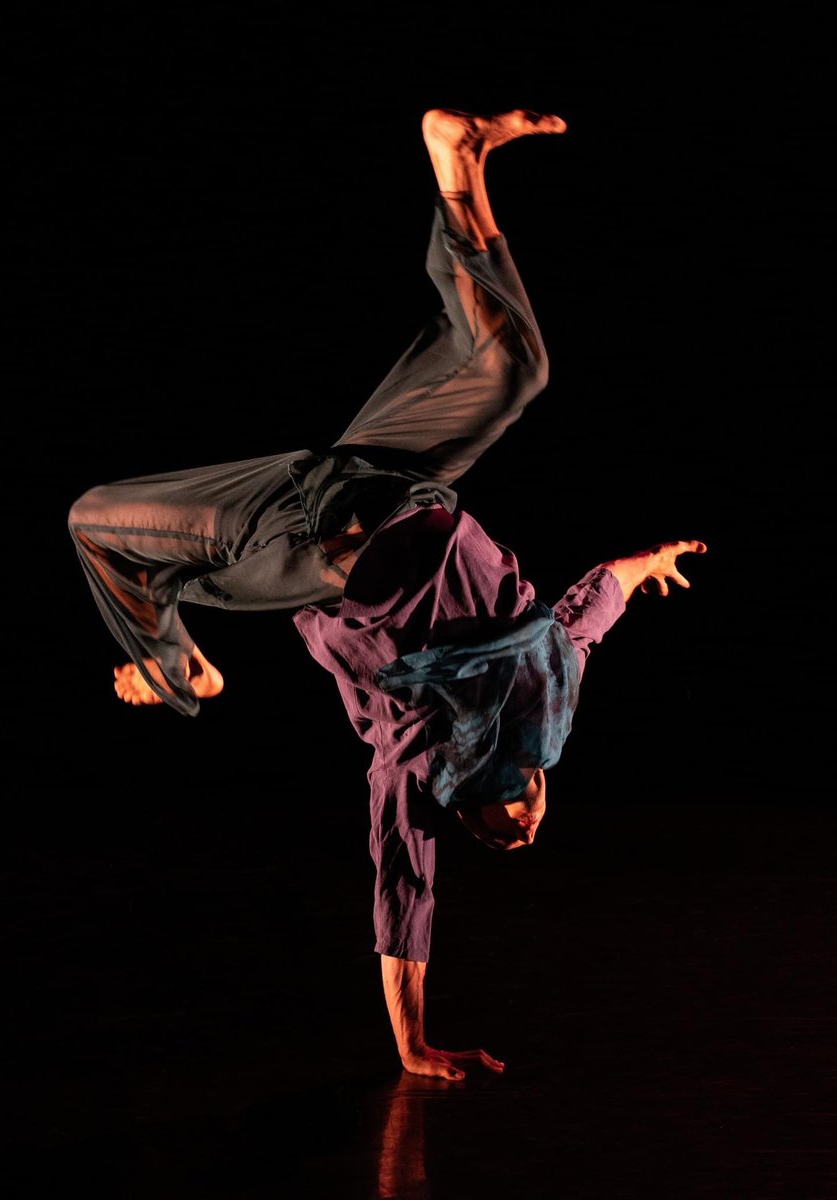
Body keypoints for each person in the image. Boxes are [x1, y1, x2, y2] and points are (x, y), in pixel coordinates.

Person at [69, 108, 707, 1082]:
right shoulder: (545, 686)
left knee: (96, 526)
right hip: (395, 481)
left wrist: (410, 1044)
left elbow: (402, 891)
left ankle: (173, 659)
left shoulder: (420, 756)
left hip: (315, 543)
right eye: (529, 821)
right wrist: (641, 565)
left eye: (503, 829)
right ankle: (459, 165)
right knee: (515, 366)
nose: (525, 826)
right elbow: (593, 605)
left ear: (473, 800)